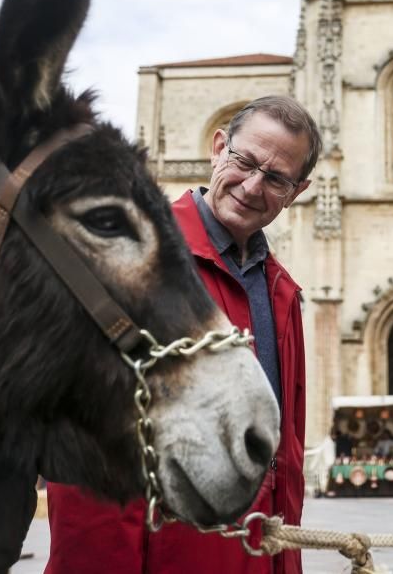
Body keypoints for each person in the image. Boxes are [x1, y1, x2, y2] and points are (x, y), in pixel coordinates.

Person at [44, 95, 322, 574]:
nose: (253, 186)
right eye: (244, 162)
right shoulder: (130, 261)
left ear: (297, 191)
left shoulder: (281, 293)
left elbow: (285, 461)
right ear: (218, 149)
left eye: (276, 178)